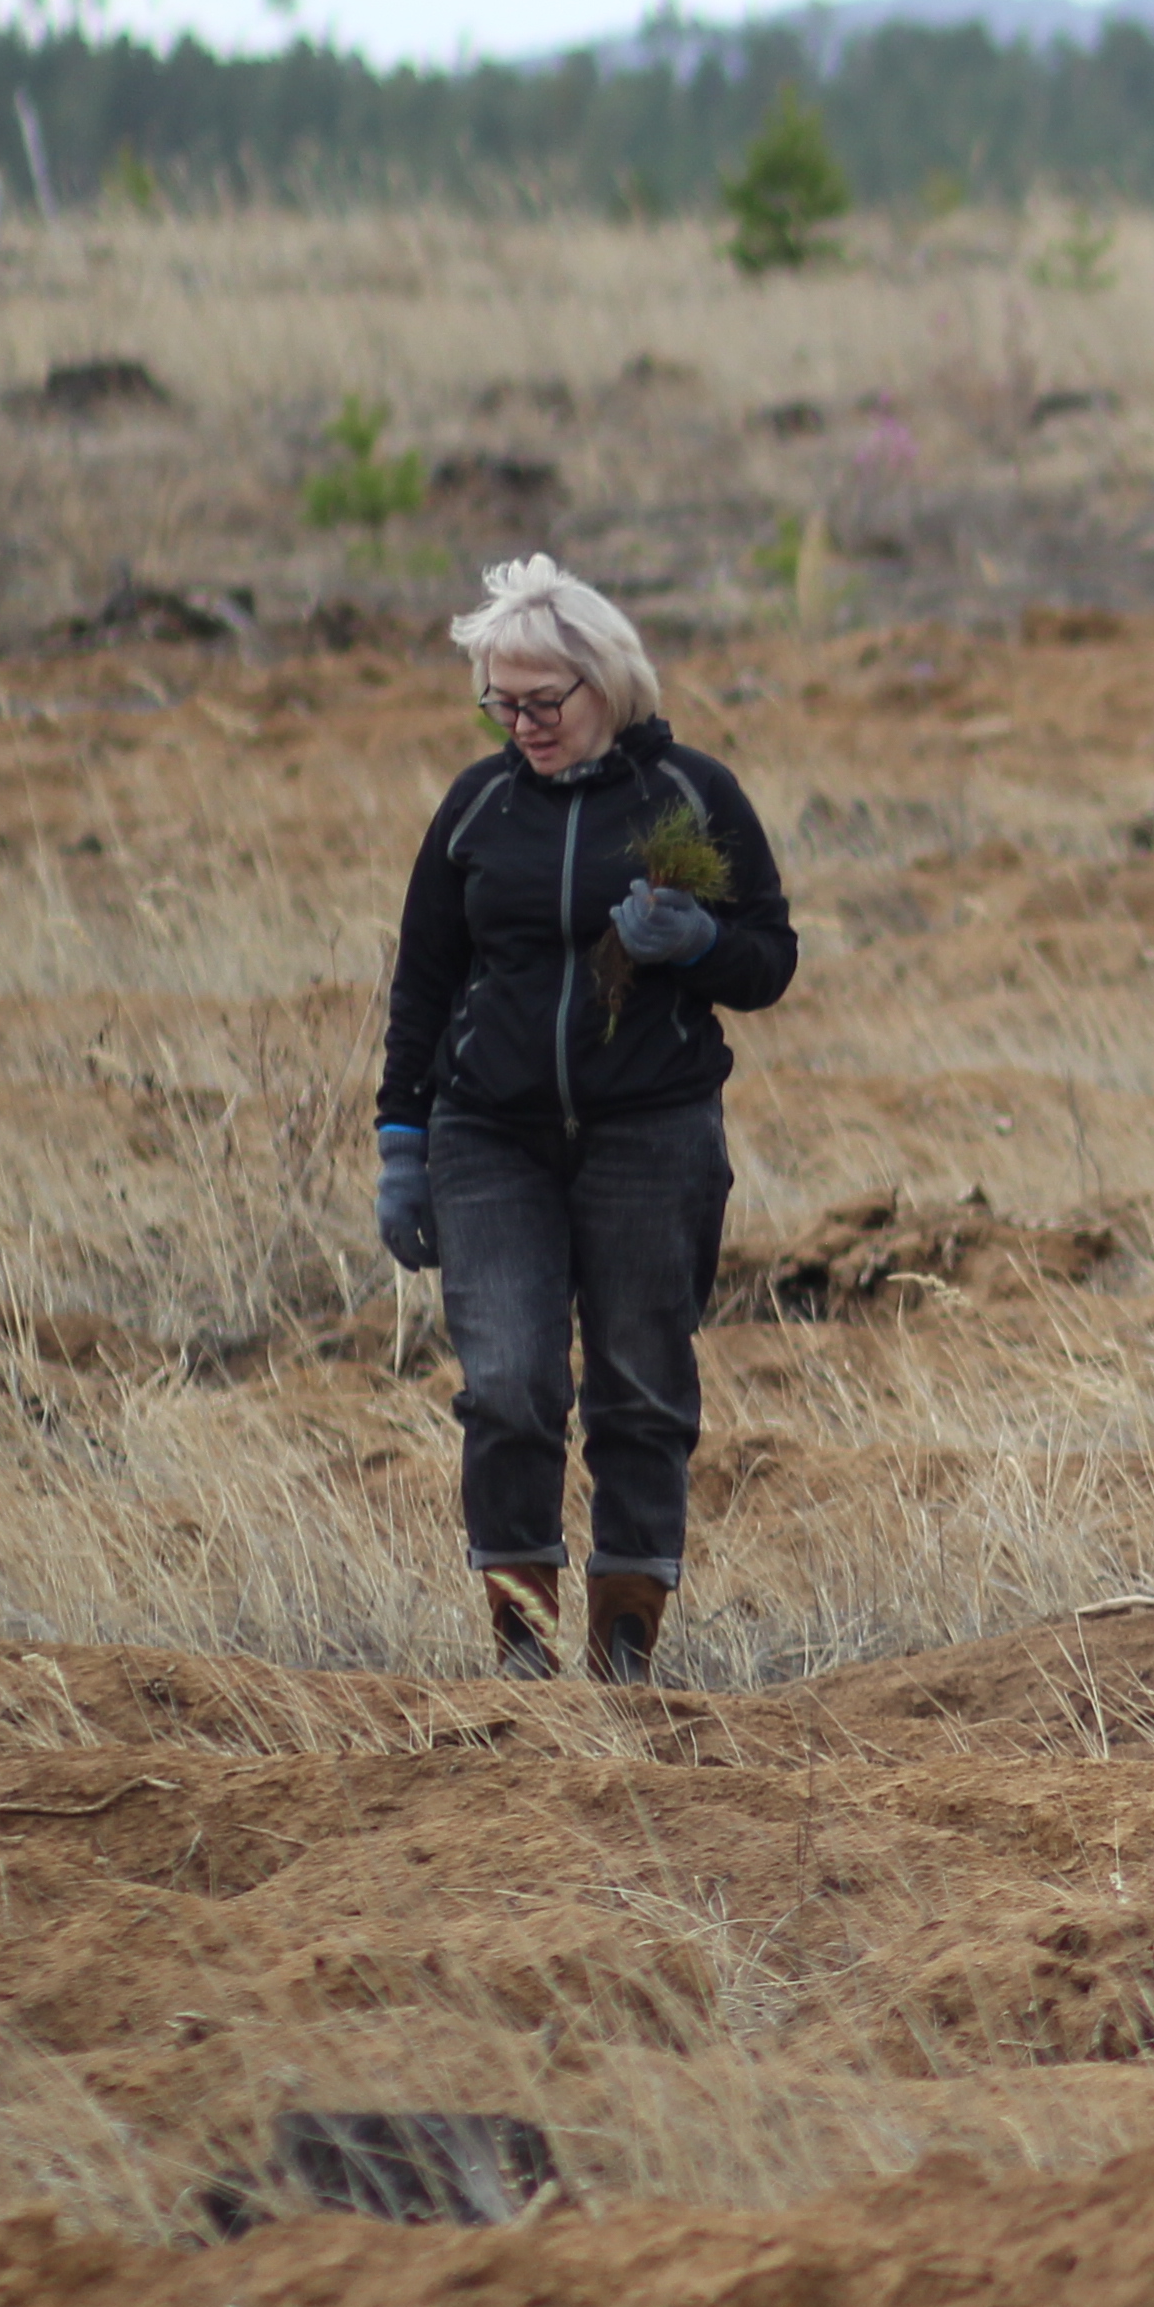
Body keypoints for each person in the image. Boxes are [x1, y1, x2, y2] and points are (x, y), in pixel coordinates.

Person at [373, 555, 797, 1682]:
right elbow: (421, 984)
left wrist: (698, 946)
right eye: (498, 703)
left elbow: (770, 960)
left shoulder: (692, 798)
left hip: (650, 1135)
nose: (520, 724)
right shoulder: (476, 808)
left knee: (640, 1387)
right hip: (488, 1139)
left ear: (606, 683)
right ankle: (521, 1647)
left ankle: (624, 1656)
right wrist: (401, 1144)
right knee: (508, 1386)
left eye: (541, 703)